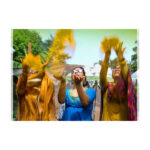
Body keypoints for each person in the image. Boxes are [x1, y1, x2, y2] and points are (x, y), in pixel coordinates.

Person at [100, 42, 137, 121]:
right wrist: (107, 56)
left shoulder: (128, 88)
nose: (116, 69)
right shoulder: (107, 86)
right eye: (115, 68)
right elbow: (102, 77)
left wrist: (121, 58)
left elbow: (126, 75)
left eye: (119, 68)